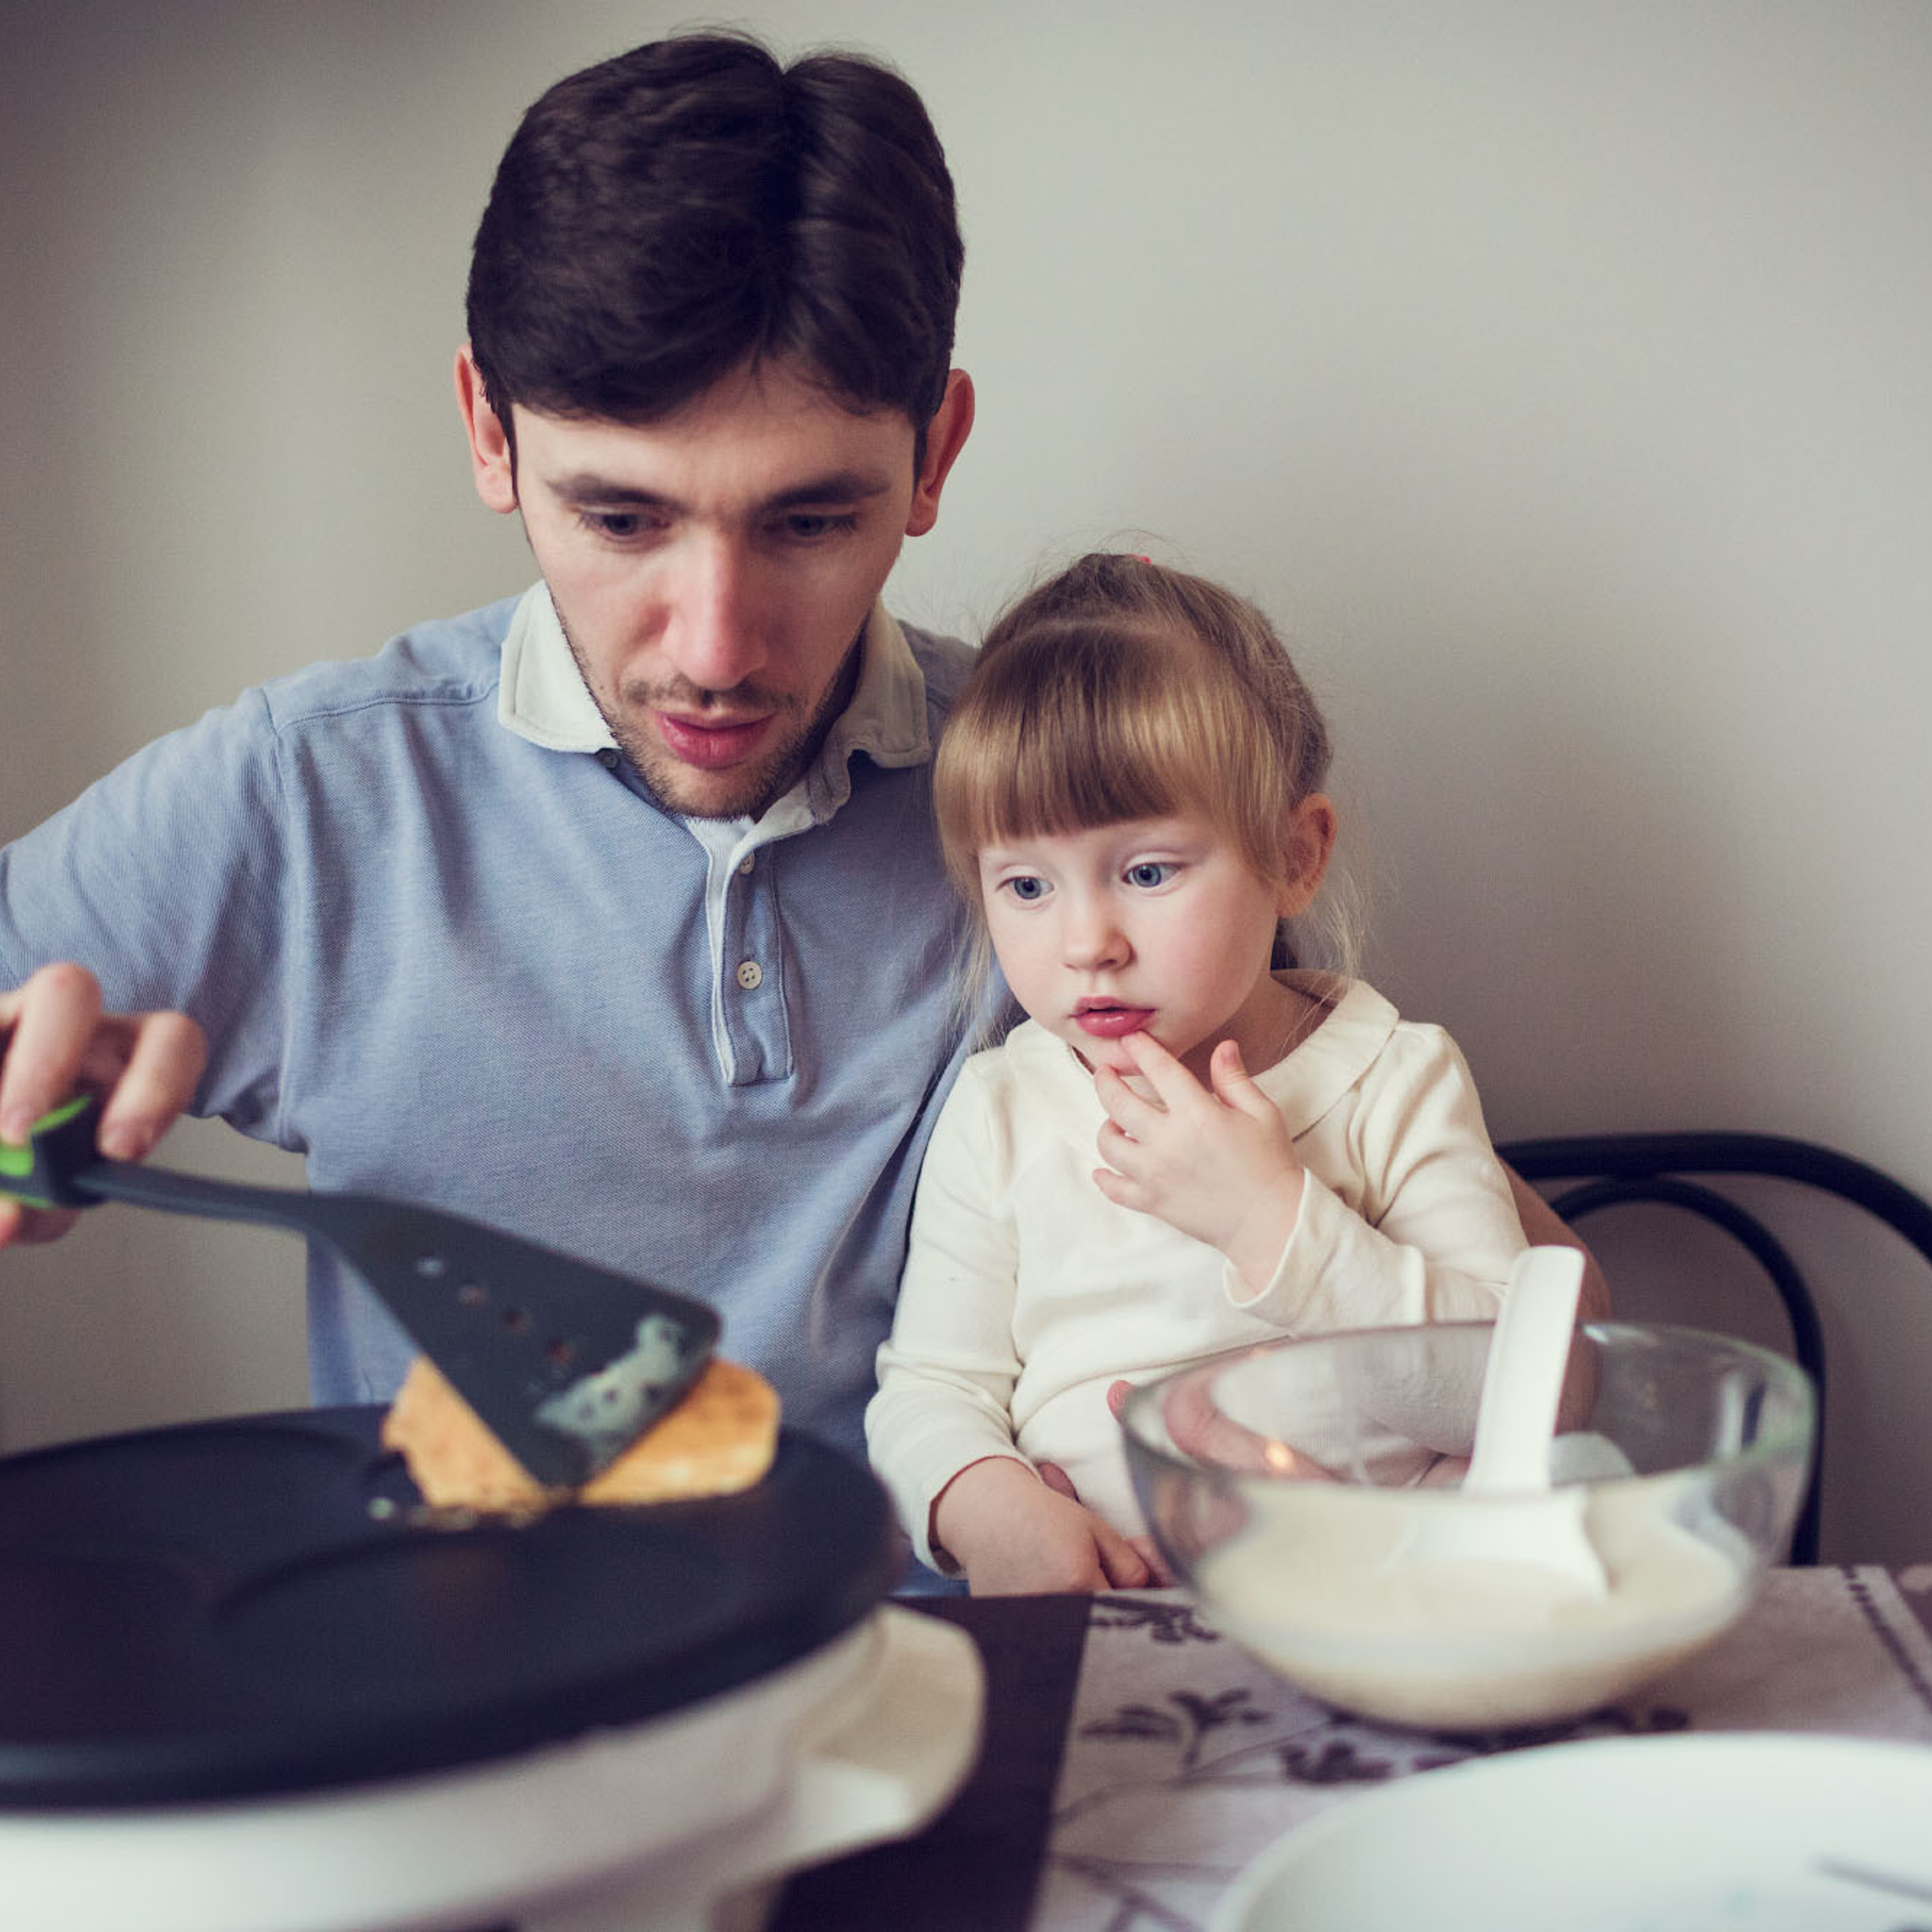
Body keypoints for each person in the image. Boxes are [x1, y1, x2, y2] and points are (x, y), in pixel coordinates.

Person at [0, 32, 1599, 1527]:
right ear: (488, 432)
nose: (713, 645)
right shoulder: (310, 800)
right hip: (474, 1683)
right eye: (620, 519)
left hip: (948, 1663)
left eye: (809, 520)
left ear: (933, 455)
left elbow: (1504, 1291)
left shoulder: (1060, 790)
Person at [865, 554, 1531, 1595]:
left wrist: (1274, 1221)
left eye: (1146, 872)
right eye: (1027, 884)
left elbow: (1520, 1391)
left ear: (1293, 855)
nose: (1088, 942)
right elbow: (929, 1392)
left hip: (1391, 1613)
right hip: (1109, 1625)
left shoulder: (1396, 1079)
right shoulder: (1004, 1111)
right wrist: (989, 1509)